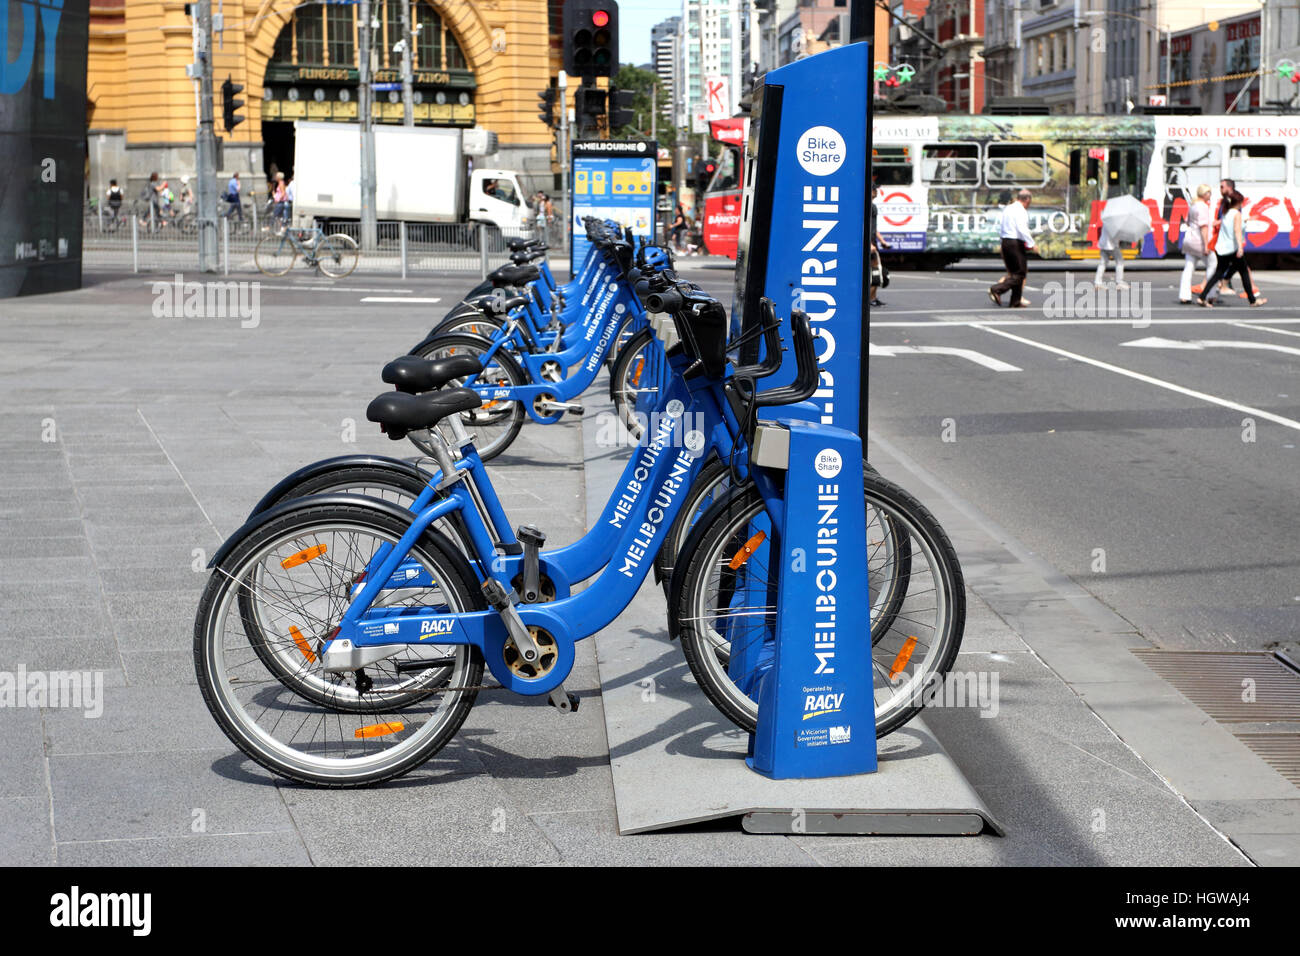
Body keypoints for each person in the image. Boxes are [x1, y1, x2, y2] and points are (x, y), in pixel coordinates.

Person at [1197, 190, 1266, 308]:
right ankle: (1252, 300)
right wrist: (1240, 247)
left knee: (1218, 273)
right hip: (1232, 248)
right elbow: (1237, 230)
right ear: (1238, 202)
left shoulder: (1227, 213)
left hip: (1221, 248)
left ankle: (1203, 296)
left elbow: (1231, 225)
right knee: (1244, 272)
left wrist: (1247, 220)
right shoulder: (1237, 214)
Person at [989, 189, 1035, 308]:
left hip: (1006, 242)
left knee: (1016, 272)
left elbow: (1002, 227)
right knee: (1020, 274)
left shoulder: (1008, 208)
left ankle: (1015, 301)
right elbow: (1022, 228)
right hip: (1015, 243)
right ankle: (997, 289)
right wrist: (1031, 243)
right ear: (1027, 200)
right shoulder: (1021, 211)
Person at [1179, 183, 1214, 303]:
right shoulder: (1203, 207)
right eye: (1209, 192)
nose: (1210, 195)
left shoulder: (1192, 206)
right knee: (1213, 265)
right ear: (1204, 194)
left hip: (1189, 240)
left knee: (1188, 268)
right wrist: (1206, 245)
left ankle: (1184, 295)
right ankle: (1210, 293)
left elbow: (1188, 222)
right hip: (1199, 241)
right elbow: (1203, 227)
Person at [1094, 217, 1128, 289]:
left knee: (1103, 263)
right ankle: (1119, 282)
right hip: (1111, 245)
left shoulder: (1106, 220)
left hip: (1103, 244)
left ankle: (1098, 283)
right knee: (1120, 262)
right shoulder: (1114, 223)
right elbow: (1116, 235)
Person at [870, 184, 889, 307]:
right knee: (876, 273)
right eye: (874, 189)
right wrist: (870, 244)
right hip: (870, 245)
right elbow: (865, 227)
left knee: (877, 273)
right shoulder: (869, 207)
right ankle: (871, 299)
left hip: (872, 243)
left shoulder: (873, 207)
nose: (876, 191)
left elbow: (873, 228)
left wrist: (882, 241)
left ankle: (873, 298)